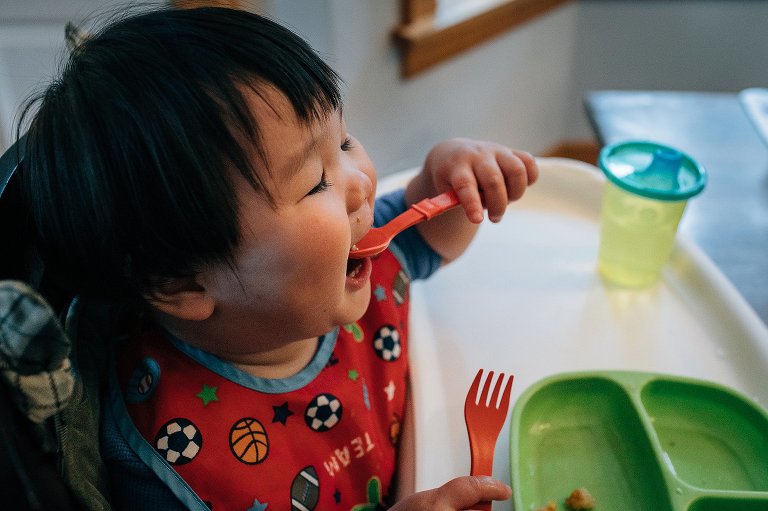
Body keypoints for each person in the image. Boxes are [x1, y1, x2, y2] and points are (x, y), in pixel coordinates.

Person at [17, 6, 538, 510]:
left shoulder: (349, 257)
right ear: (183, 285)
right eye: (316, 182)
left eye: (346, 141)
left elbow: (427, 240)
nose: (360, 183)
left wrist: (449, 176)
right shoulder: (171, 463)